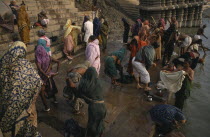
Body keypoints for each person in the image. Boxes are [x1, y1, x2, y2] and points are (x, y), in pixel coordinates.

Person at [0, 41, 42, 137]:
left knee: (10, 129)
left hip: (8, 106)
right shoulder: (26, 64)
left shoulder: (4, 66)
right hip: (26, 105)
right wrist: (32, 99)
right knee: (29, 123)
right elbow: (38, 81)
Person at [78, 67, 106, 137]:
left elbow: (79, 93)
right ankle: (100, 134)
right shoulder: (99, 83)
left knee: (92, 124)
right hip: (103, 107)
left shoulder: (86, 85)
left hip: (94, 108)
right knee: (100, 122)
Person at [35, 45, 60, 111]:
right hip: (49, 75)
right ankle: (55, 100)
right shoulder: (48, 57)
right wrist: (57, 71)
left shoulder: (38, 60)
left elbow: (40, 69)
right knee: (51, 86)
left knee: (41, 93)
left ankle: (47, 107)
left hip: (43, 77)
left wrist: (45, 75)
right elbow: (58, 62)